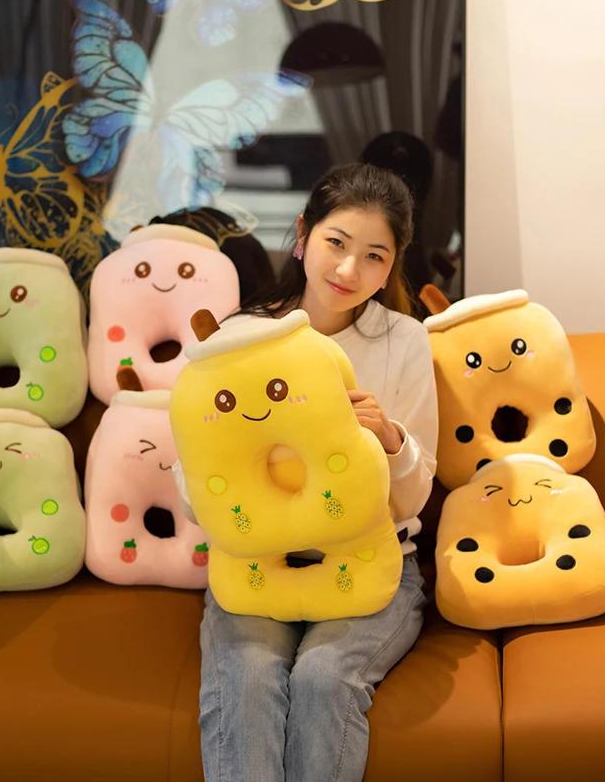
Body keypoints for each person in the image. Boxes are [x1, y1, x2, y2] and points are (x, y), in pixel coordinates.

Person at [173, 162, 438, 782]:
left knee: (324, 678)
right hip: (255, 562)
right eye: (336, 243)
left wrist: (390, 440)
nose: (348, 269)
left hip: (374, 560)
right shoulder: (239, 338)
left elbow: (415, 498)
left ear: (392, 266)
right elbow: (195, 482)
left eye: (374, 256)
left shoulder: (404, 340)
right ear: (303, 234)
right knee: (246, 676)